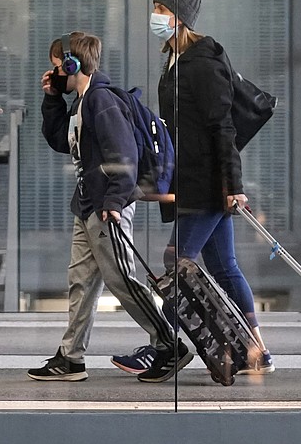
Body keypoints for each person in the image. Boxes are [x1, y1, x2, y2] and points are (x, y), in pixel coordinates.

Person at [116, 0, 274, 375]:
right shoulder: (175, 59)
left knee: (176, 260)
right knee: (223, 267)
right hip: (193, 179)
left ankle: (166, 345)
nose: (155, 14)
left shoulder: (203, 61)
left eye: (161, 8)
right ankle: (257, 351)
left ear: (180, 16)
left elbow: (223, 127)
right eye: (155, 7)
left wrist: (233, 186)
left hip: (207, 181)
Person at [27, 31, 192, 384]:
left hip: (106, 207)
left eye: (58, 67)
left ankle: (168, 345)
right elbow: (61, 141)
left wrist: (115, 201)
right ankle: (71, 358)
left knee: (122, 280)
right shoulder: (83, 102)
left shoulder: (102, 101)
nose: (53, 72)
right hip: (87, 205)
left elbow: (124, 156)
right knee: (81, 283)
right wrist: (53, 99)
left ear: (73, 64)